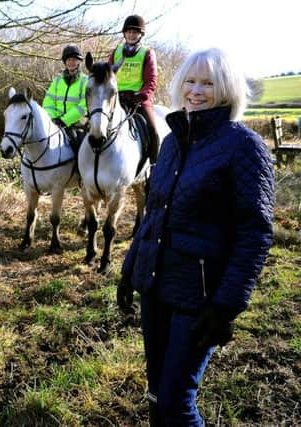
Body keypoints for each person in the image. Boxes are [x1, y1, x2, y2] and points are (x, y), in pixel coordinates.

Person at [117, 47, 274, 426]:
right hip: (155, 285)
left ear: (227, 89)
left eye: (208, 82)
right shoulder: (171, 142)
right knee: (155, 392)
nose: (196, 90)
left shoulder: (244, 147)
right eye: (190, 80)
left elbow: (254, 234)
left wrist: (225, 306)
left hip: (199, 299)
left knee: (176, 401)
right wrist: (129, 268)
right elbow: (153, 212)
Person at [108, 15, 160, 163]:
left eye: (135, 32)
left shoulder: (147, 52)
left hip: (138, 100)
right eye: (129, 32)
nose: (131, 35)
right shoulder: (116, 52)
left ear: (140, 35)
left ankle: (153, 166)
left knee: (153, 130)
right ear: (124, 34)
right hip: (116, 98)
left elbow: (152, 80)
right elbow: (107, 77)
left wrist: (141, 96)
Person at [42, 44, 88, 153]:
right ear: (65, 62)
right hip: (55, 122)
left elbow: (83, 106)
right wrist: (53, 118)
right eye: (68, 60)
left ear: (79, 62)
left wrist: (65, 120)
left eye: (74, 60)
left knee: (80, 151)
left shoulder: (85, 80)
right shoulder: (58, 79)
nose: (71, 62)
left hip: (76, 125)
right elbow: (48, 101)